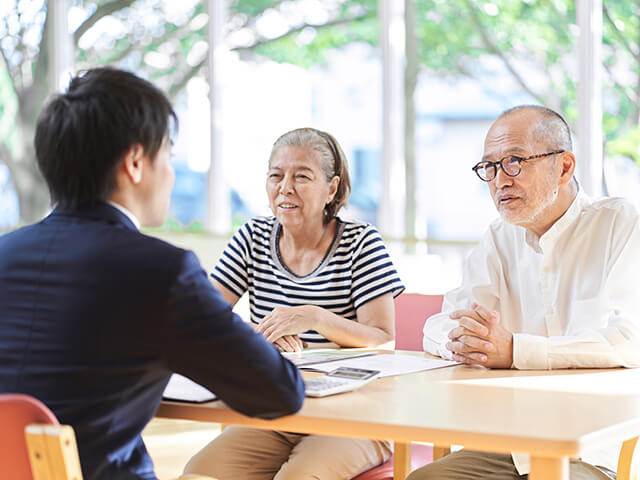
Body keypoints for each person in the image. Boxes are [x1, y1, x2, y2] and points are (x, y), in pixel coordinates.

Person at [0, 67, 305, 480]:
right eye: (170, 156)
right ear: (136, 162)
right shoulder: (161, 272)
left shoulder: (5, 253)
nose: (172, 174)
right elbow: (280, 393)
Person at [408, 105, 640, 480]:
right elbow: (440, 323)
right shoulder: (499, 238)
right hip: (512, 444)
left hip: (599, 451)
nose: (500, 180)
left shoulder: (620, 224)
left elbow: (630, 341)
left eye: (515, 161)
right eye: (490, 167)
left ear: (564, 167)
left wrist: (515, 349)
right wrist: (466, 339)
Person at [184, 127, 405, 479]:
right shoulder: (252, 238)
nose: (285, 187)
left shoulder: (362, 243)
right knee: (199, 474)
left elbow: (384, 340)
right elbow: (200, 321)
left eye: (302, 176)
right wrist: (258, 336)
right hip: (276, 409)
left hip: (356, 417)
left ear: (331, 188)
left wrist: (314, 317)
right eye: (276, 175)